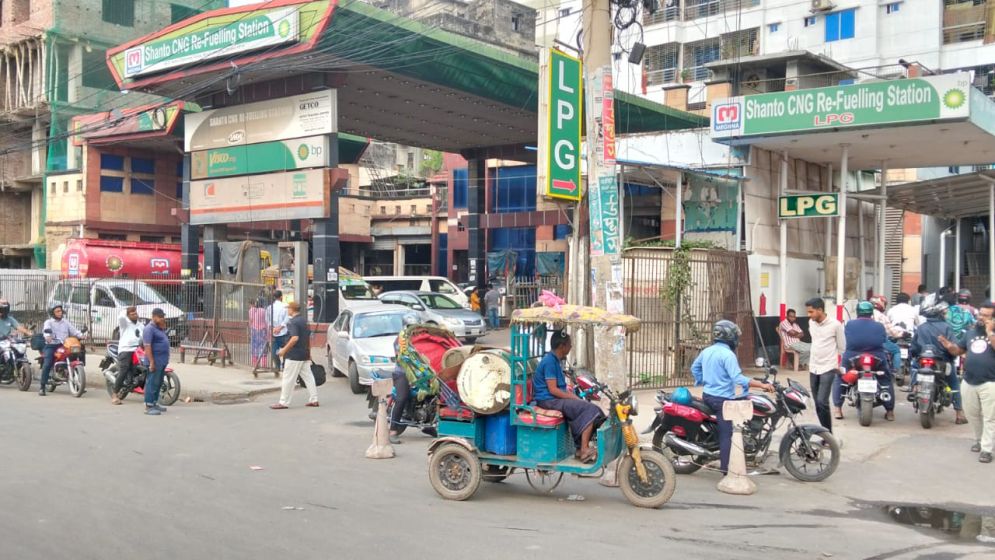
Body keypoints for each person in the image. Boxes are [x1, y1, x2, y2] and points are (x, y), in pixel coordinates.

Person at [691, 320, 773, 474]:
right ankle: (725, 469)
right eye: (735, 335)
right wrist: (761, 385)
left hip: (708, 396)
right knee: (727, 434)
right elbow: (738, 378)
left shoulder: (707, 351)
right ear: (730, 336)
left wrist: (702, 380)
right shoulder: (728, 355)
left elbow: (694, 368)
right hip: (721, 401)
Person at [533, 332, 604, 463]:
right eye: (569, 345)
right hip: (548, 400)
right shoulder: (549, 362)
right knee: (590, 410)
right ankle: (584, 449)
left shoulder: (556, 361)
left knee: (594, 409)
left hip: (554, 399)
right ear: (562, 346)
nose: (571, 347)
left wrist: (572, 394)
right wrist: (573, 397)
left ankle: (579, 447)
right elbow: (553, 390)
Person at [912, 302, 968, 424]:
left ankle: (914, 388)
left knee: (915, 369)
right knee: (954, 383)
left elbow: (914, 348)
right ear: (939, 314)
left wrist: (915, 355)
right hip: (943, 361)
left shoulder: (921, 327)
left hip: (923, 361)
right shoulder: (946, 327)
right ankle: (959, 413)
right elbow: (953, 347)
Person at [842, 301, 896, 421]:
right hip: (877, 356)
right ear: (871, 313)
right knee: (885, 379)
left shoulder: (850, 324)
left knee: (841, 377)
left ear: (857, 312)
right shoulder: (879, 326)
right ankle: (890, 411)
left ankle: (837, 409)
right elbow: (883, 340)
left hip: (852, 356)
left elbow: (847, 338)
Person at [955, 302, 995, 464]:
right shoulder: (970, 333)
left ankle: (987, 449)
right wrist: (948, 345)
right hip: (969, 380)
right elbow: (959, 349)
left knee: (989, 417)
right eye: (980, 314)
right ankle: (979, 440)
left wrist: (990, 331)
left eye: (986, 315)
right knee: (972, 414)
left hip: (990, 381)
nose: (981, 317)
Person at [805, 297, 846, 430]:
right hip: (813, 366)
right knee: (817, 404)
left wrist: (838, 365)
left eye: (811, 312)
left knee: (822, 402)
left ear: (820, 310)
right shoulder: (811, 323)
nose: (809, 315)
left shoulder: (835, 325)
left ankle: (828, 435)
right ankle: (825, 433)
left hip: (828, 367)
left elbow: (842, 347)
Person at [270, 301, 319, 409]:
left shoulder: (293, 322)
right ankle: (314, 399)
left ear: (292, 309)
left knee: (288, 378)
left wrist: (284, 350)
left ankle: (283, 402)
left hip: (294, 355)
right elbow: (307, 338)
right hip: (304, 353)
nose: (287, 310)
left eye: (288, 308)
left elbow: (294, 338)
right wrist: (309, 353)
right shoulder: (304, 321)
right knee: (308, 377)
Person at [39, 304, 83, 396]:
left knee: (78, 353)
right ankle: (42, 387)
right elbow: (46, 331)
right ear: (53, 313)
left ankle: (80, 382)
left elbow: (74, 331)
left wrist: (82, 335)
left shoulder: (65, 322)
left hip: (64, 345)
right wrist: (48, 337)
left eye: (61, 311)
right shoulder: (49, 322)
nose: (60, 313)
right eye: (57, 311)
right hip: (51, 345)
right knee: (47, 363)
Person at [389, 315, 420, 444]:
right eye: (410, 327)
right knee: (402, 398)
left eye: (415, 327)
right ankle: (393, 431)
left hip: (420, 374)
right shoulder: (400, 340)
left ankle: (429, 425)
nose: (413, 329)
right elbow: (402, 358)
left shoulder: (421, 339)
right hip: (402, 373)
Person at [141, 309, 171, 415]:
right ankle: (148, 406)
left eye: (163, 316)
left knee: (158, 383)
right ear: (153, 317)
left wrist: (162, 326)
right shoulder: (149, 329)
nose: (162, 319)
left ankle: (154, 402)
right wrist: (152, 362)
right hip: (154, 361)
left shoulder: (159, 328)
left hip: (161, 361)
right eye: (160, 317)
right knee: (152, 383)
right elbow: (147, 346)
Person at [111, 306, 143, 405]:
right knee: (124, 370)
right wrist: (127, 309)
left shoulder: (141, 325)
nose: (135, 315)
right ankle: (114, 395)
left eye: (135, 313)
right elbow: (121, 317)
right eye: (132, 314)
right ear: (128, 315)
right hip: (126, 349)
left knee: (142, 368)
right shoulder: (124, 324)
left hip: (138, 350)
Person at [870, 295, 904, 372]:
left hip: (865, 343)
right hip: (880, 342)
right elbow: (892, 332)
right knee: (896, 350)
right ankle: (896, 371)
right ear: (881, 304)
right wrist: (902, 334)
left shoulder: (865, 315)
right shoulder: (882, 316)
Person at [267, 290, 289, 370]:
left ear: (274, 297)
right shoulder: (286, 306)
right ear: (281, 297)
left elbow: (268, 320)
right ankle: (285, 366)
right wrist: (280, 328)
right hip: (284, 332)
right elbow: (287, 319)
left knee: (274, 352)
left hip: (274, 332)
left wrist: (273, 328)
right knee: (286, 350)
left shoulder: (270, 308)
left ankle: (277, 366)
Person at [249, 297, 268, 369]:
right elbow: (266, 321)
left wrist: (250, 329)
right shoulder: (264, 311)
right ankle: (263, 364)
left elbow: (250, 321)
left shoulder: (251, 310)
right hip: (262, 330)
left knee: (254, 346)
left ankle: (255, 363)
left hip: (254, 330)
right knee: (263, 346)